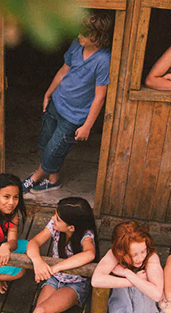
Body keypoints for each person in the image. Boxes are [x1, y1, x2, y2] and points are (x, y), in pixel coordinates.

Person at [21, 11, 113, 193]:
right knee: (47, 142)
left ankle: (35, 177)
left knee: (55, 149)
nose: (79, 35)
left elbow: (100, 96)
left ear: (98, 37)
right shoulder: (76, 45)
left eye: (84, 34)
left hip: (74, 115)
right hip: (57, 102)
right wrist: (48, 94)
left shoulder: (103, 59)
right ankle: (53, 180)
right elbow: (63, 71)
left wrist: (87, 126)